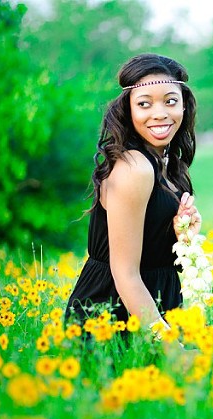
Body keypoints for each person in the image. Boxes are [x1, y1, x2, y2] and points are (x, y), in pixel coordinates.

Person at [65, 53, 202, 336]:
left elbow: (158, 261)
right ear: (129, 110)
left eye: (170, 101)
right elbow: (125, 274)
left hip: (154, 311)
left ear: (184, 106)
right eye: (144, 104)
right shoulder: (134, 169)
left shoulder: (169, 165)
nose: (160, 113)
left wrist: (183, 238)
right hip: (110, 319)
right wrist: (170, 348)